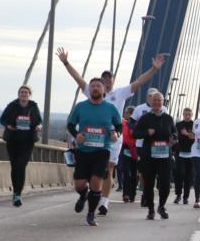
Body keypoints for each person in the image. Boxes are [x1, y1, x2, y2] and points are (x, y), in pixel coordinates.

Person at [56, 47, 165, 217]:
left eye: (109, 78)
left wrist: (154, 69)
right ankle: (91, 193)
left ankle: (104, 201)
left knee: (109, 167)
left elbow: (140, 81)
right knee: (91, 173)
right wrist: (65, 62)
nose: (106, 81)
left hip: (113, 137)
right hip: (90, 139)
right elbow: (78, 78)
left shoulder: (120, 93)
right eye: (103, 78)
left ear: (113, 81)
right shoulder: (93, 90)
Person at [66, 77, 122, 227]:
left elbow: (119, 126)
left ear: (104, 90)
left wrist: (116, 134)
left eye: (98, 86)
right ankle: (83, 195)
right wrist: (76, 134)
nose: (95, 88)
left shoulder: (111, 108)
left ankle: (91, 214)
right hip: (83, 150)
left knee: (96, 184)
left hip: (102, 151)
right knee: (79, 184)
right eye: (92, 86)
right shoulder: (80, 106)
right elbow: (70, 124)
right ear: (89, 90)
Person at [133, 91, 176, 220]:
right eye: (155, 100)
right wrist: (147, 132)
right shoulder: (145, 118)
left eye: (159, 100)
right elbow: (135, 134)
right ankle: (151, 209)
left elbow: (174, 132)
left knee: (165, 184)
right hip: (149, 155)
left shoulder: (168, 118)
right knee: (149, 183)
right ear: (151, 102)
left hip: (164, 155)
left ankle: (161, 206)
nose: (157, 103)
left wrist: (174, 137)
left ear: (163, 102)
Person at [0, 85, 43, 206]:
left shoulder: (33, 106)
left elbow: (39, 121)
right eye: (21, 92)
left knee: (21, 165)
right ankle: (15, 192)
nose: (23, 94)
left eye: (26, 92)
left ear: (29, 94)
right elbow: (2, 119)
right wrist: (7, 126)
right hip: (13, 140)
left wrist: (39, 126)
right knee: (14, 166)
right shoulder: (12, 105)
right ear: (18, 94)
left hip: (27, 141)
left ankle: (18, 193)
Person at [173, 107, 196, 205]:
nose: (187, 116)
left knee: (188, 176)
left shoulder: (194, 124)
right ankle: (178, 195)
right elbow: (176, 136)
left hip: (191, 153)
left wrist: (186, 134)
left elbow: (194, 137)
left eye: (189, 114)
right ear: (183, 114)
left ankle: (186, 197)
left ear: (191, 115)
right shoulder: (178, 124)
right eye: (185, 114)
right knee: (180, 174)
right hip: (180, 152)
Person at [119, 105, 139, 202]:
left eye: (127, 113)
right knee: (126, 172)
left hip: (135, 150)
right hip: (125, 149)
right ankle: (126, 194)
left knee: (134, 173)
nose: (125, 114)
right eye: (126, 112)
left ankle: (133, 194)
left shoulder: (138, 124)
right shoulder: (122, 123)